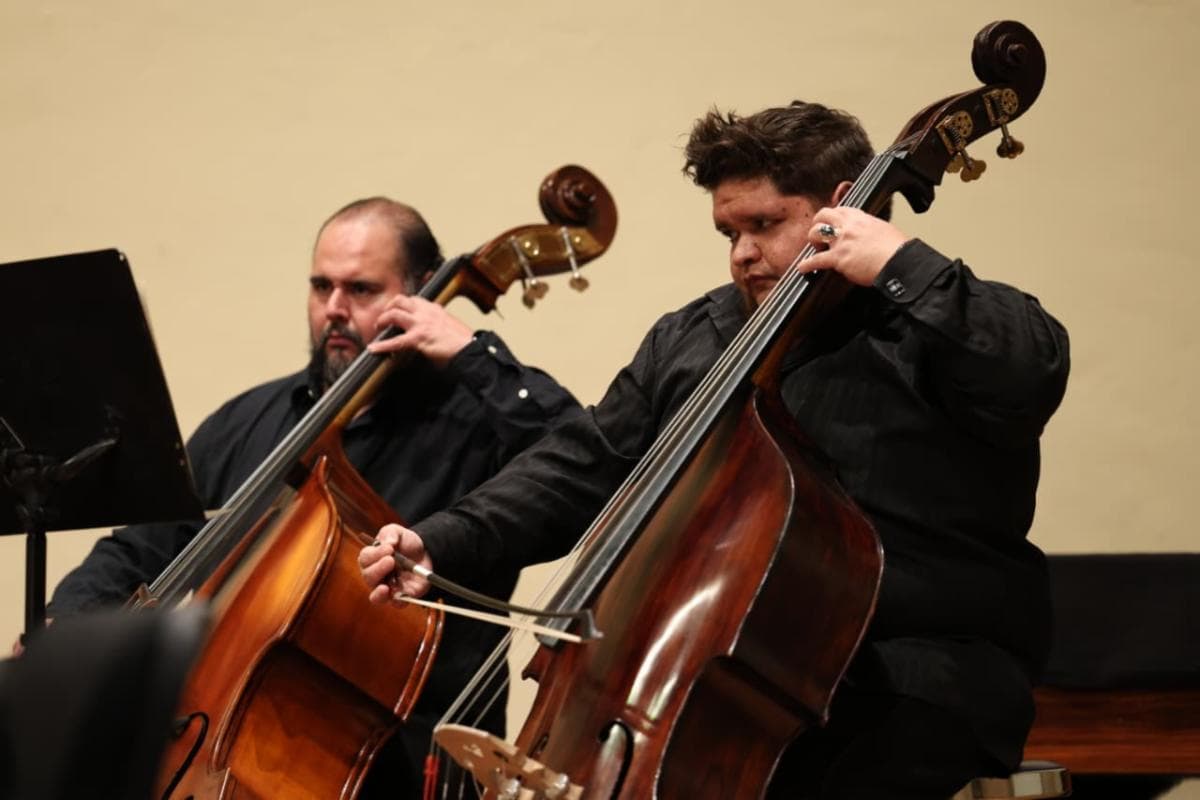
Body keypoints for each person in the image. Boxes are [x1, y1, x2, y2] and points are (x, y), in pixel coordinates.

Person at [360, 101, 1070, 799]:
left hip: (917, 681)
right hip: (735, 686)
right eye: (729, 231)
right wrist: (442, 541)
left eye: (764, 225)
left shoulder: (926, 319)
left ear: (844, 207)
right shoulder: (695, 336)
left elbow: (1031, 369)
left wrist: (902, 263)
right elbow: (584, 464)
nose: (743, 255)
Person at [46, 196, 581, 794]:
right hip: (233, 761)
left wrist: (471, 352)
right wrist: (61, 634)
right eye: (321, 286)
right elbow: (140, 549)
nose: (333, 309)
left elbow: (584, 460)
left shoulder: (478, 428)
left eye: (360, 289)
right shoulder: (248, 421)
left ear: (422, 293)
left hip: (410, 771)